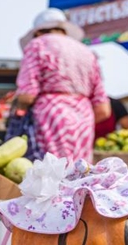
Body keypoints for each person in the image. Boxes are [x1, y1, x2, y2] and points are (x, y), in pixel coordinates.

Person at [15, 8, 110, 163]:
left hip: (51, 115)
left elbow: (27, 95)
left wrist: (19, 110)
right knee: (79, 173)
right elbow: (103, 110)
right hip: (84, 118)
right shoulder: (87, 52)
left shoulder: (37, 44)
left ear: (38, 32)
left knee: (52, 173)